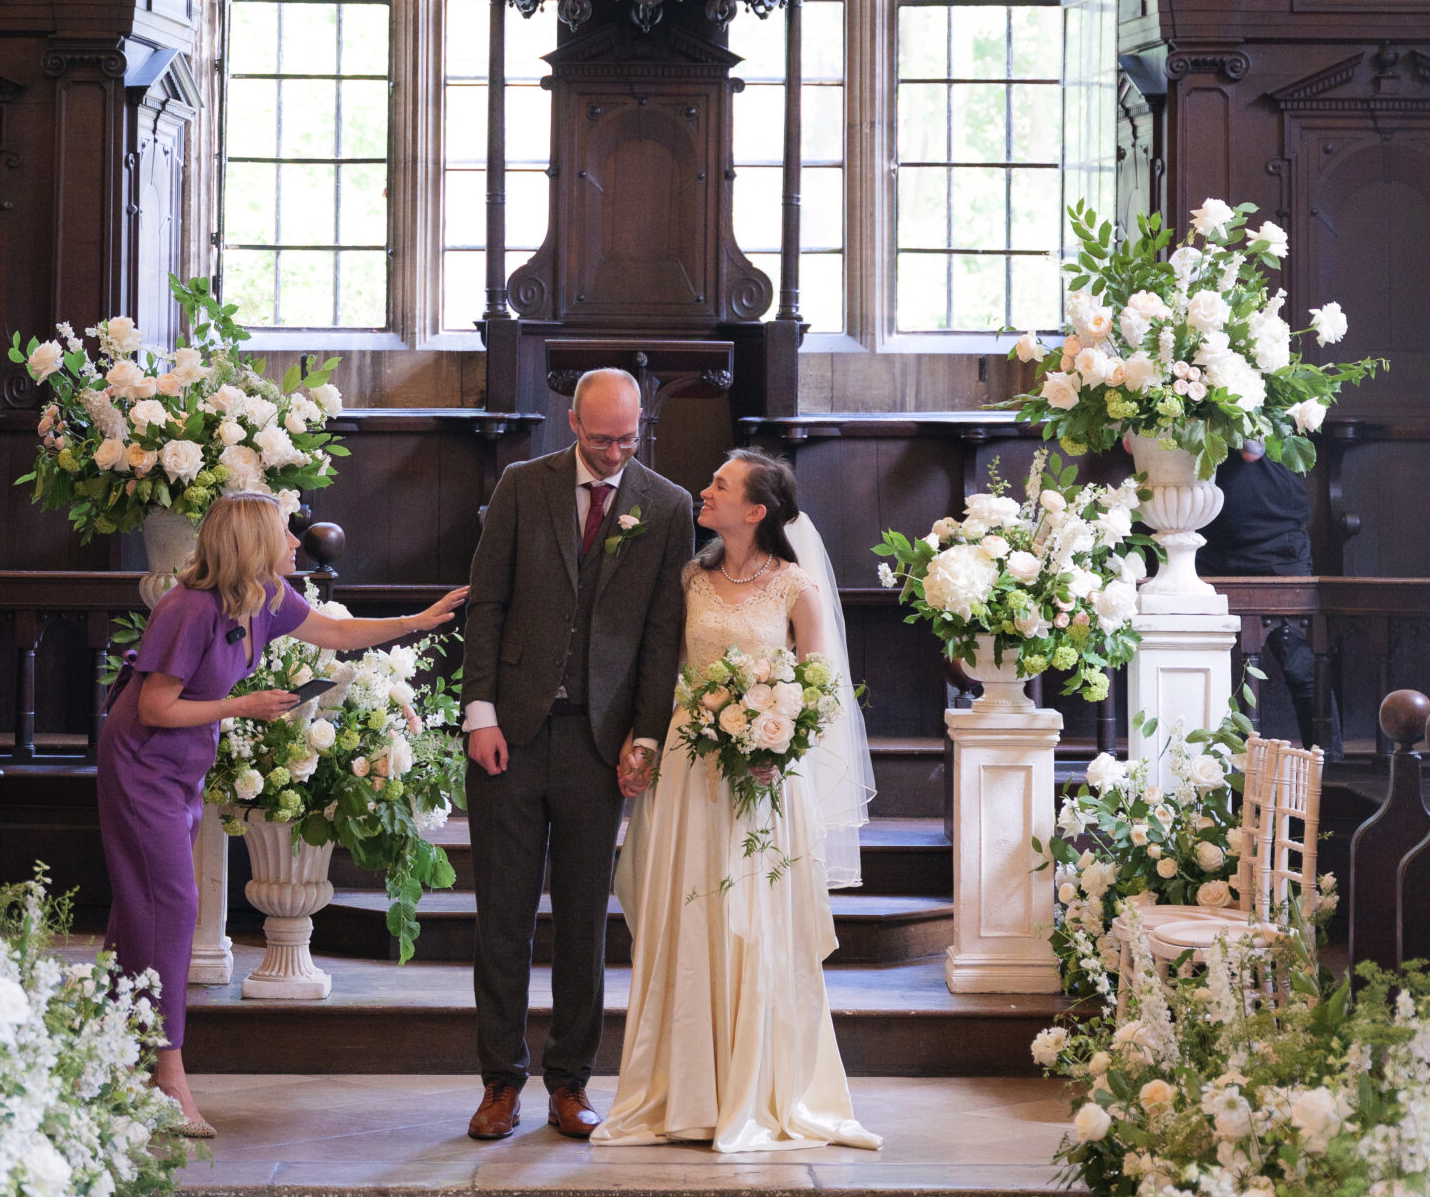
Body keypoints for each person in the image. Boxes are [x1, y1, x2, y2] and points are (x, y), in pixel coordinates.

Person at [97, 486, 468, 1134]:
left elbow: (338, 632)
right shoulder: (185, 609)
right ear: (251, 544)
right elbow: (155, 707)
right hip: (142, 764)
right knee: (170, 907)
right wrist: (240, 706)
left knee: (143, 908)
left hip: (181, 764)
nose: (297, 542)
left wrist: (419, 619)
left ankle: (108, 1054)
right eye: (285, 533)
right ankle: (167, 1078)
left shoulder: (264, 596)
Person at [593, 451, 881, 1154]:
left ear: (755, 510)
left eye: (719, 484)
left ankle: (759, 1089)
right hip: (689, 772)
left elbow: (819, 695)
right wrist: (645, 742)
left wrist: (772, 742)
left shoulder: (795, 589)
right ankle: (679, 1091)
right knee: (686, 920)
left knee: (749, 925)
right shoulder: (689, 579)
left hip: (759, 781)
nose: (705, 488)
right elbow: (664, 673)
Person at [461, 368, 695, 1143]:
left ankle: (570, 1082)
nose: (614, 452)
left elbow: (663, 635)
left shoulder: (665, 506)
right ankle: (500, 1082)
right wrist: (480, 715)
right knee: (502, 915)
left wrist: (647, 734)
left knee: (584, 922)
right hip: (513, 736)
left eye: (628, 438)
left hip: (602, 743)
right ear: (572, 423)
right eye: (602, 439)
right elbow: (486, 605)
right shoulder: (522, 487)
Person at [1197, 439, 1339, 755]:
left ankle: (1331, 775)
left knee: (1300, 663)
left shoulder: (1273, 395)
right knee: (1188, 659)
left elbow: (1252, 449)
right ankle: (1191, 773)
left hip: (1276, 541)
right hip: (1197, 539)